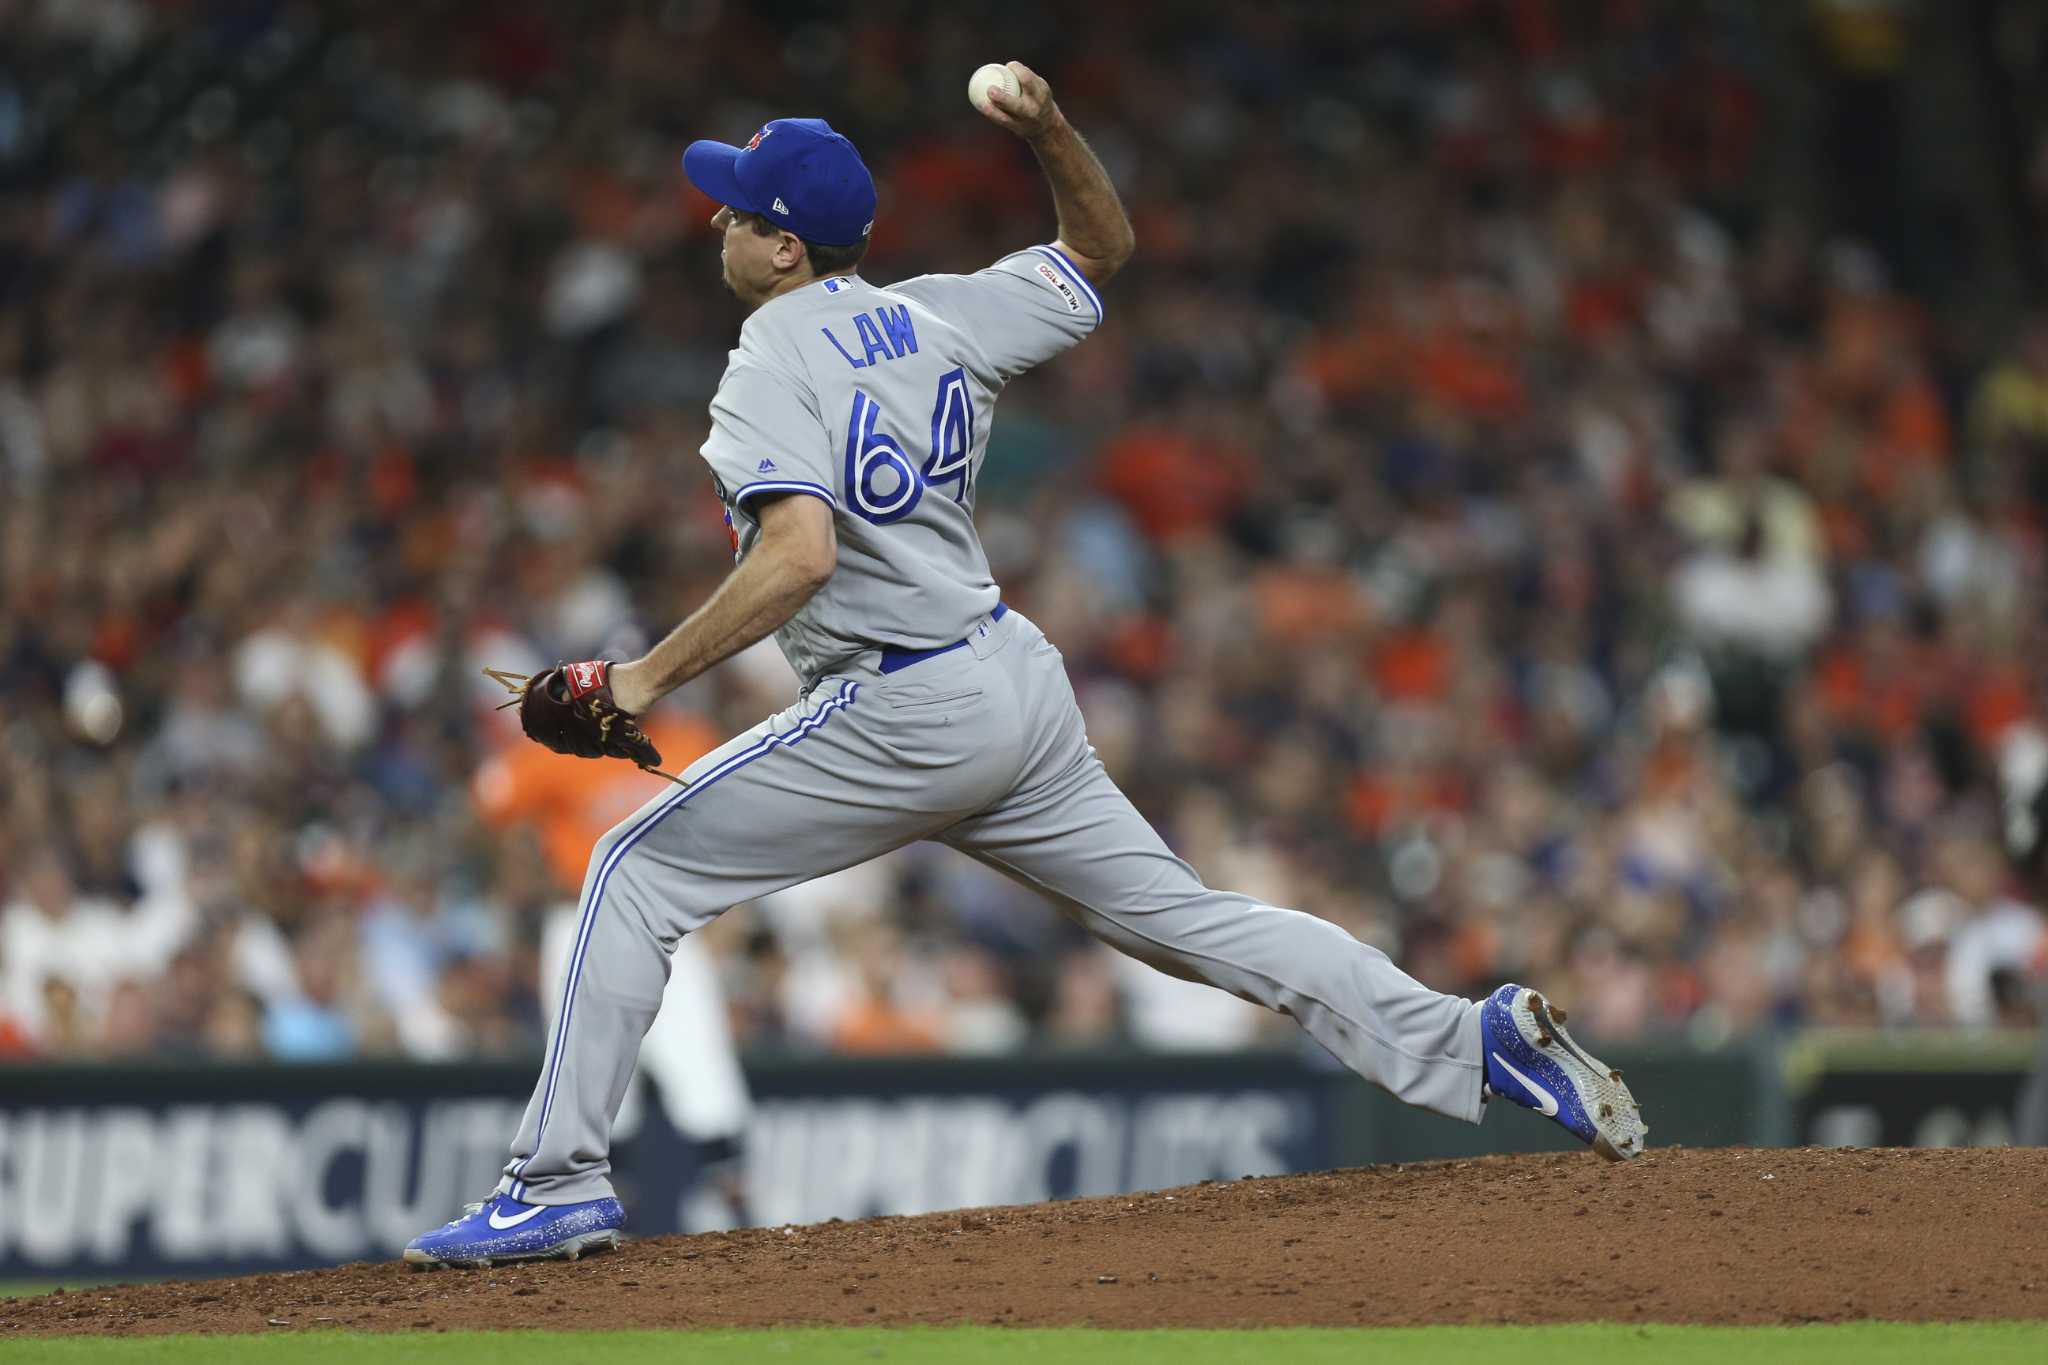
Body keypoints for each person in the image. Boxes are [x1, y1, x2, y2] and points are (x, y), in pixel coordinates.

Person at [404, 63, 1646, 1269]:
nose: (718, 219)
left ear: (786, 249)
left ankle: (551, 1185)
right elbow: (1100, 248)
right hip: (1009, 679)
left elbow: (797, 553)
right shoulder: (941, 310)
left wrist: (636, 682)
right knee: (1186, 920)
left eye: (738, 207)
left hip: (899, 704)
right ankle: (1470, 1041)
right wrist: (1049, 127)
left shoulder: (766, 357)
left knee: (628, 867)